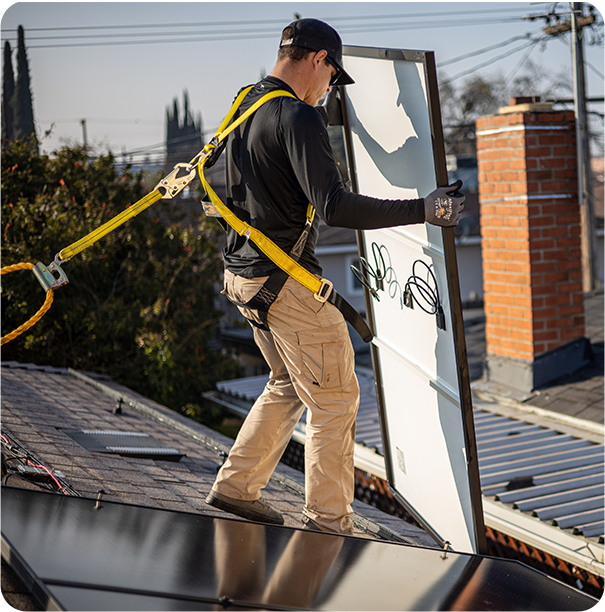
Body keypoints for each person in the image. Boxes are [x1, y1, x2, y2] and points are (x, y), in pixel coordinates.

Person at [206, 17, 464, 535]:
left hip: (243, 277)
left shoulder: (242, 106)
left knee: (287, 382)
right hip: (286, 287)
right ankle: (329, 523)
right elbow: (336, 207)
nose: (329, 90)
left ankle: (236, 487)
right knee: (336, 398)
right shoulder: (297, 117)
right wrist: (425, 208)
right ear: (320, 59)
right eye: (332, 77)